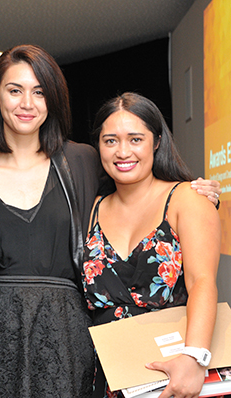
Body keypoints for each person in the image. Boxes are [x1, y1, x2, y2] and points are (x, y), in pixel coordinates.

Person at [0, 43, 220, 398]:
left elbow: (137, 185)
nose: (27, 103)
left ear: (52, 99)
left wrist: (196, 189)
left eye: (39, 91)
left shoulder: (83, 162)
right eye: (14, 90)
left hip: (68, 344)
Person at [82, 92, 221, 398]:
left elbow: (202, 282)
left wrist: (194, 358)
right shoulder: (89, 209)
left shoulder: (186, 198)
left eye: (135, 139)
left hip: (173, 371)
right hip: (105, 375)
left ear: (156, 142)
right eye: (110, 141)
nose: (122, 152)